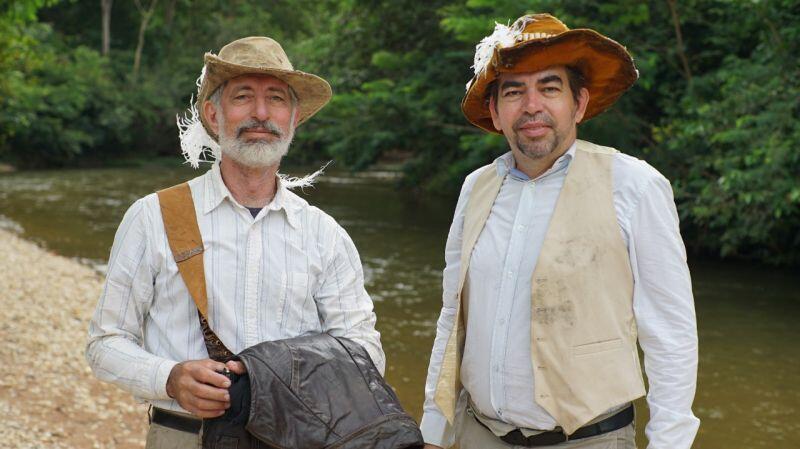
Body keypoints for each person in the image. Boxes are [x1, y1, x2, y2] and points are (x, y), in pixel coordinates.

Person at [85, 36, 385, 449]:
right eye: (243, 96)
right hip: (184, 438)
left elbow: (364, 353)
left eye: (276, 99)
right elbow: (105, 343)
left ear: (293, 119)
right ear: (213, 114)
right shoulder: (153, 216)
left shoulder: (325, 235)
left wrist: (281, 373)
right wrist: (169, 377)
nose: (261, 114)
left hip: (298, 440)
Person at [420, 14, 699, 449]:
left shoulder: (634, 185)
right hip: (480, 435)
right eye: (514, 91)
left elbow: (671, 333)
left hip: (591, 439)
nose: (532, 106)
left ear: (579, 103)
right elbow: (451, 321)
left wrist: (669, 443)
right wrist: (433, 431)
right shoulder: (475, 188)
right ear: (495, 111)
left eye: (549, 88)